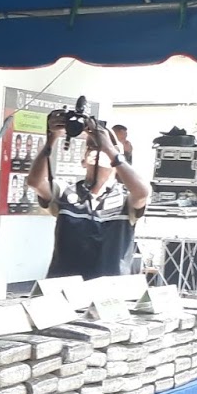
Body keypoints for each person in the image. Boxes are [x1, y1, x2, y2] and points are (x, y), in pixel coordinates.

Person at [25, 109, 153, 280]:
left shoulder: (124, 198)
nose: (97, 150)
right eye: (91, 147)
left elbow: (142, 192)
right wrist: (52, 138)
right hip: (66, 286)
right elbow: (35, 182)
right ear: (83, 160)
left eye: (102, 147)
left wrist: (109, 148)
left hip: (110, 288)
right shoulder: (65, 192)